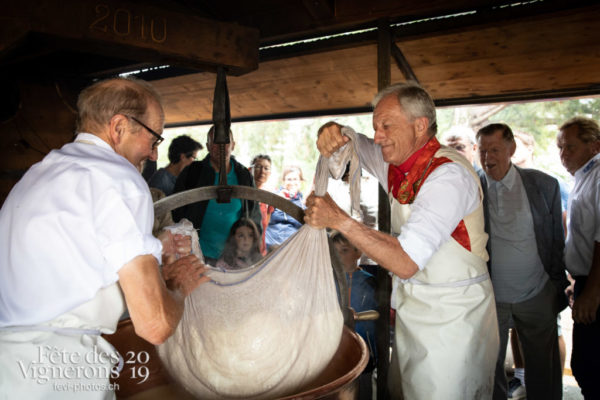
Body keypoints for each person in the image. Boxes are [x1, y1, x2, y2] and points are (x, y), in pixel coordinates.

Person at [0, 77, 208, 398]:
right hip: (59, 375)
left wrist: (154, 264)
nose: (153, 155)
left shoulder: (39, 173)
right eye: (153, 139)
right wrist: (178, 287)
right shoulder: (118, 177)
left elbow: (73, 266)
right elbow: (155, 325)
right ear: (119, 126)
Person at [305, 82, 498, 399]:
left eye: (386, 125)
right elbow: (352, 143)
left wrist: (339, 219)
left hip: (454, 319)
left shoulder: (448, 176)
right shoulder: (395, 160)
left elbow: (406, 261)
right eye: (376, 126)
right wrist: (332, 130)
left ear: (420, 125)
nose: (378, 135)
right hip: (414, 312)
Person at [477, 123, 569, 400]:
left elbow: (555, 241)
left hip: (536, 293)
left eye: (495, 150)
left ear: (512, 149)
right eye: (483, 151)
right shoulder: (471, 186)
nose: (487, 157)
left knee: (544, 370)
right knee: (489, 371)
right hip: (491, 298)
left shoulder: (544, 185)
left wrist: (554, 287)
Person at [508, 129, 571, 399]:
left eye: (516, 145)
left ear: (529, 149)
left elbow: (562, 228)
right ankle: (521, 378)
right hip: (511, 279)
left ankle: (549, 383)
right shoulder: (499, 185)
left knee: (549, 332)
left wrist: (559, 274)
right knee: (516, 330)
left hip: (542, 275)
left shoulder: (550, 184)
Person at [172, 126, 262, 265]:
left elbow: (254, 215)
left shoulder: (243, 175)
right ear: (208, 146)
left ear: (233, 145)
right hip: (197, 256)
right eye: (215, 142)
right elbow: (176, 213)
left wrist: (249, 251)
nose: (221, 147)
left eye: (226, 142)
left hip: (234, 258)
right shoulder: (192, 173)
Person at [556, 116, 600, 399]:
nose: (563, 154)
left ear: (595, 146)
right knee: (587, 365)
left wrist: (593, 292)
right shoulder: (583, 177)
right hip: (587, 280)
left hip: (596, 285)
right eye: (560, 147)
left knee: (591, 367)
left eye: (570, 147)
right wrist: (578, 282)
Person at [331, 231, 377, 400]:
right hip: (335, 351)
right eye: (334, 252)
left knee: (363, 390)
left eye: (344, 250)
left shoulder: (370, 281)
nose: (338, 257)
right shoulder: (328, 281)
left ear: (359, 252)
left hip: (365, 352)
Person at [265, 165, 306, 251]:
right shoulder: (274, 196)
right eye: (289, 179)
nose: (292, 182)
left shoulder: (304, 203)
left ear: (301, 181)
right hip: (271, 244)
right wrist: (275, 200)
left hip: (293, 247)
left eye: (295, 179)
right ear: (283, 181)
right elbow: (263, 216)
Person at [251, 154, 273, 254]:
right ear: (251, 169)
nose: (262, 172)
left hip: (260, 250)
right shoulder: (244, 192)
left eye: (266, 168)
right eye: (258, 167)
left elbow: (266, 224)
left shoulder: (269, 197)